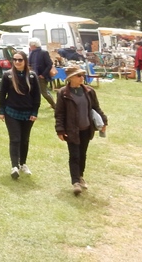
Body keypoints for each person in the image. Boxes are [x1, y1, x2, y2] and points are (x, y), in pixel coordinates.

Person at [54, 65, 108, 195]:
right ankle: (75, 182)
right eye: (79, 75)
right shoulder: (63, 93)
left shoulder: (89, 91)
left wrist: (104, 121)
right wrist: (60, 130)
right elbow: (59, 113)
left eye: (82, 75)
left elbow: (96, 108)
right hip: (71, 130)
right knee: (74, 155)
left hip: (86, 128)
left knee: (82, 154)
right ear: (71, 78)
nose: (82, 77)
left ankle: (80, 176)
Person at [0, 51, 41, 179]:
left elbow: (36, 96)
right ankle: (14, 166)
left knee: (24, 139)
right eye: (15, 59)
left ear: (25, 61)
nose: (17, 62)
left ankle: (22, 164)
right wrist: (1, 111)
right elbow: (2, 94)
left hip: (28, 113)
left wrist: (34, 112)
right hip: (11, 111)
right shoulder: (8, 75)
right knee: (15, 139)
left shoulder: (32, 76)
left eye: (20, 60)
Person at [27, 38, 56, 109]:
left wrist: (43, 75)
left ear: (34, 45)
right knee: (32, 91)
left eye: (30, 45)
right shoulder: (31, 53)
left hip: (41, 76)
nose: (29, 46)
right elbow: (30, 64)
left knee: (44, 92)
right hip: (33, 75)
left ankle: (55, 106)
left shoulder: (44, 53)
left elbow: (49, 64)